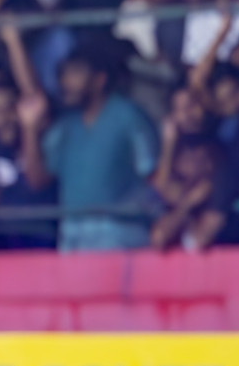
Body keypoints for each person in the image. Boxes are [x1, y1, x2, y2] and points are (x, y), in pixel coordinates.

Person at [21, 43, 158, 252]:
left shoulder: (128, 117)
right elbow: (37, 180)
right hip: (72, 232)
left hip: (120, 231)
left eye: (75, 75)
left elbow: (153, 174)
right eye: (64, 75)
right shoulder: (65, 127)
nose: (66, 83)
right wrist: (29, 129)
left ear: (99, 80)